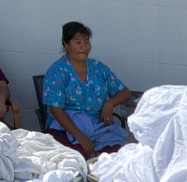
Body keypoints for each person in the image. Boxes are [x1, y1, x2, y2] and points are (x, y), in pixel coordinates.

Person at [42, 21, 132, 159]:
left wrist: (110, 104)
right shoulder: (57, 71)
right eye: (77, 42)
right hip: (66, 128)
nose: (83, 47)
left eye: (86, 42)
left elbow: (125, 92)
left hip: (97, 127)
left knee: (116, 156)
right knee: (77, 158)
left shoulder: (98, 68)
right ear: (65, 44)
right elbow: (56, 110)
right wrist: (81, 137)